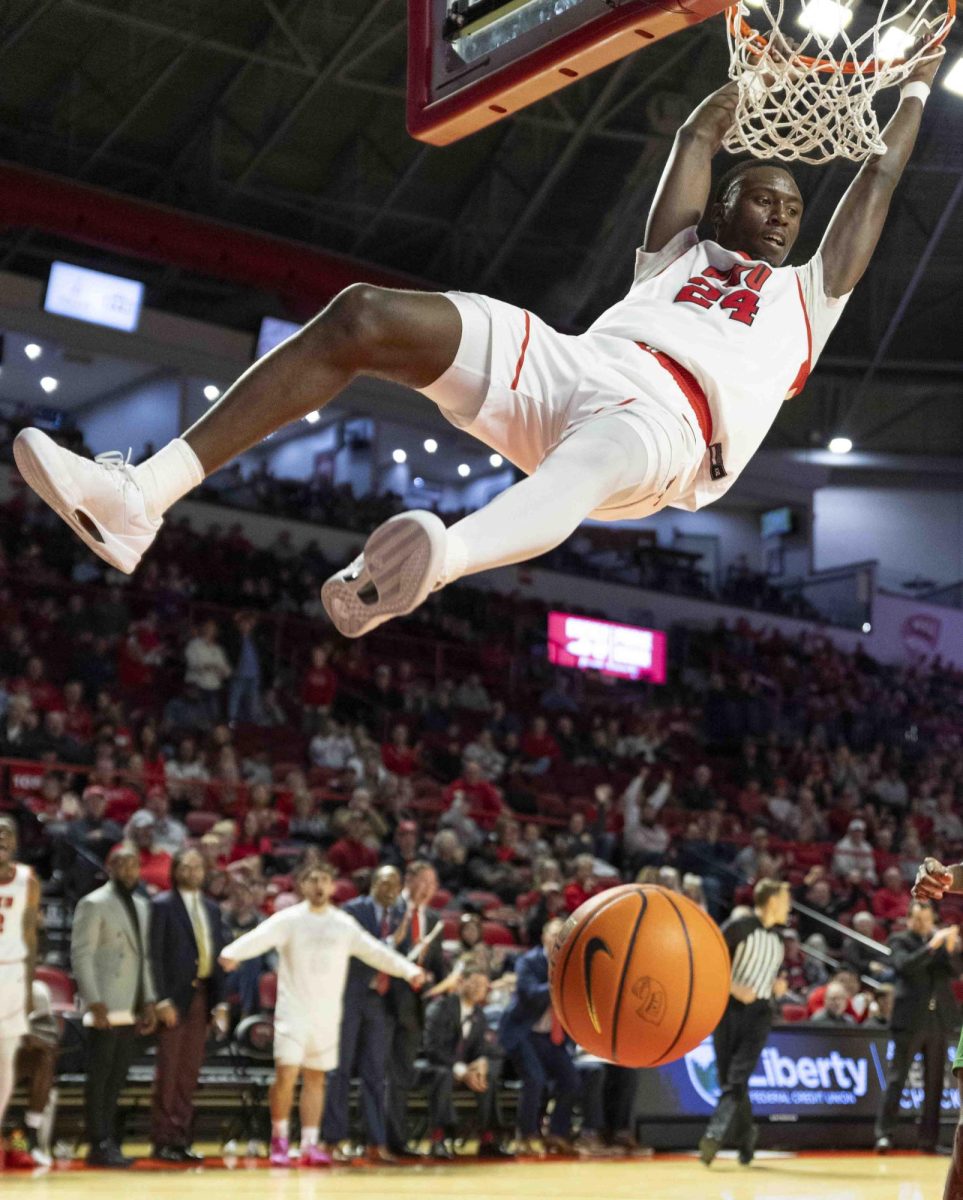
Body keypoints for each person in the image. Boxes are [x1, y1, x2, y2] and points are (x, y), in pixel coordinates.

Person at [13, 52, 945, 633]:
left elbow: (878, 176)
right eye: (765, 198)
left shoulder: (808, 295)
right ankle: (142, 496)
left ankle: (431, 563)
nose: (782, 216)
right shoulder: (675, 252)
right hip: (579, 362)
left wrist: (910, 81)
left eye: (792, 208)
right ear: (731, 200)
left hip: (667, 432)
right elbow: (700, 134)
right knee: (363, 314)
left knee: (575, 475)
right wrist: (757, 65)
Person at [218, 861, 425, 1169]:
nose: (318, 886)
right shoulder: (288, 919)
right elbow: (258, 937)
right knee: (286, 1075)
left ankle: (310, 1144)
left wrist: (409, 970)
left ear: (332, 886)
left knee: (316, 1078)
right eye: (312, 880)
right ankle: (279, 1140)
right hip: (293, 1012)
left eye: (324, 880)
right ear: (302, 885)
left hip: (327, 1014)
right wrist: (233, 952)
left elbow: (376, 952)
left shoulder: (343, 924)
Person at [70, 845, 158, 1167]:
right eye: (123, 865)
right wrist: (94, 1000)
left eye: (135, 865)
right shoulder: (94, 903)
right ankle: (98, 1142)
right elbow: (82, 955)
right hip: (106, 1001)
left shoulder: (142, 905)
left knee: (118, 1075)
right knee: (100, 1076)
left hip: (131, 1001)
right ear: (110, 867)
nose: (130, 871)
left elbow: (144, 957)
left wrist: (149, 1000)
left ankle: (108, 1138)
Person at [149, 847, 232, 1163]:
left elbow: (219, 955)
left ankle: (181, 1137)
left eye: (198, 866)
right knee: (168, 1071)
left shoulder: (211, 908)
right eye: (186, 866)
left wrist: (221, 1003)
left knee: (188, 1072)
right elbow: (153, 956)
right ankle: (163, 1139)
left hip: (203, 995)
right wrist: (160, 999)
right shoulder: (162, 905)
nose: (193, 872)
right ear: (175, 870)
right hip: (174, 999)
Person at [699, 878, 789, 1168]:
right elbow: (709, 960)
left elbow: (770, 974)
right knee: (730, 1079)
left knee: (737, 1077)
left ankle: (715, 1132)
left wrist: (778, 986)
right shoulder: (739, 927)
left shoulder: (779, 939)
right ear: (772, 901)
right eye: (785, 899)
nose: (788, 906)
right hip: (728, 1010)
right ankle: (747, 1134)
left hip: (760, 1014)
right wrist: (733, 987)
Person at [320, 865, 406, 1163]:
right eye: (384, 882)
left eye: (395, 883)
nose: (390, 888)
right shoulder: (352, 911)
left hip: (380, 1001)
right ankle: (333, 1139)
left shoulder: (400, 914)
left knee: (375, 1073)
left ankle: (375, 1142)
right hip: (350, 995)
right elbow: (357, 950)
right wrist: (390, 946)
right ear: (372, 884)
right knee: (339, 1069)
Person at [873, 900, 960, 1155]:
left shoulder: (940, 944)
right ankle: (884, 1135)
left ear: (933, 919)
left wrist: (950, 947)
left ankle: (928, 1140)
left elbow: (955, 971)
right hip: (909, 1020)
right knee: (897, 1079)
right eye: (917, 919)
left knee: (935, 1084)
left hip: (938, 1020)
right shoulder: (900, 940)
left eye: (926, 919)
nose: (922, 924)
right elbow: (905, 966)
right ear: (909, 920)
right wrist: (933, 945)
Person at [498, 916, 580, 1155]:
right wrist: (559, 979)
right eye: (553, 933)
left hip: (550, 1037)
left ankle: (556, 1133)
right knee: (535, 1079)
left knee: (571, 1080)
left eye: (562, 934)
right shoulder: (528, 961)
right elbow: (530, 994)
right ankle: (525, 1135)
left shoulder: (570, 963)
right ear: (544, 936)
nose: (557, 938)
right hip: (523, 1033)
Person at [385, 860, 448, 1156]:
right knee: (377, 1075)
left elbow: (438, 968)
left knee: (400, 1076)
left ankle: (396, 1141)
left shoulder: (434, 920)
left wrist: (450, 978)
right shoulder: (388, 908)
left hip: (412, 1009)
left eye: (432, 884)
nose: (427, 889)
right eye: (422, 881)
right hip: (382, 1003)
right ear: (407, 880)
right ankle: (373, 1140)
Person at [421, 969, 507, 1159]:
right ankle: (438, 1138)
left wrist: (480, 1064)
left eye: (483, 985)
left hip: (463, 1069)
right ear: (461, 982)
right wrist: (462, 1070)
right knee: (442, 1075)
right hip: (436, 1066)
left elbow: (481, 1048)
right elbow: (432, 1049)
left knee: (487, 1078)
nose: (478, 988)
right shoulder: (441, 1007)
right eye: (474, 982)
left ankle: (487, 1138)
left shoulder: (479, 1014)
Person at [0, 817, 40, 1172]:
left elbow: (30, 936)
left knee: (5, 1063)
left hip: (12, 972)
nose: (1, 839)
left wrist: (27, 989)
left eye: (7, 834)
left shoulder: (27, 879)